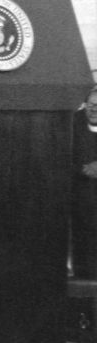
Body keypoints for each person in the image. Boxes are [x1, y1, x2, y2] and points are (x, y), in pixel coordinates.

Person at [72, 85, 97, 279]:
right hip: (79, 195)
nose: (94, 109)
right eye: (91, 105)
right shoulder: (73, 123)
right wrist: (82, 168)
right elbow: (60, 154)